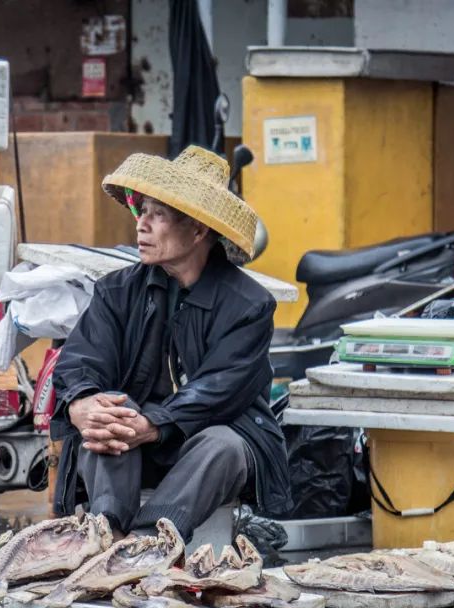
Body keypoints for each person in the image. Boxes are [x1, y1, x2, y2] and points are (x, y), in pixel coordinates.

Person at [50, 145, 292, 541]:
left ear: (198, 229)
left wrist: (154, 423)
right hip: (128, 452)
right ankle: (106, 531)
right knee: (111, 409)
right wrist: (82, 404)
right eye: (140, 211)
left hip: (202, 455)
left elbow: (220, 391)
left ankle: (145, 543)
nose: (141, 225)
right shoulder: (116, 291)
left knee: (224, 443)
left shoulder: (249, 305)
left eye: (157, 215)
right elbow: (80, 361)